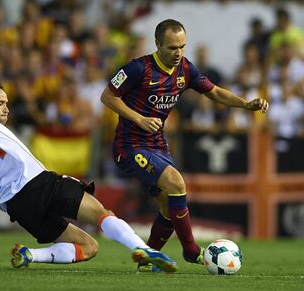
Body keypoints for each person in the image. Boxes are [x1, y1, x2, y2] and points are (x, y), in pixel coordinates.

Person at [0, 56, 177, 273]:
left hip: (17, 207)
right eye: (0, 103)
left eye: (7, 104)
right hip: (37, 183)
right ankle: (144, 250)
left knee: (89, 246)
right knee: (101, 213)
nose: (6, 109)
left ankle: (30, 255)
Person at [100, 19, 269, 270]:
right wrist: (139, 119)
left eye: (182, 46)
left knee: (170, 206)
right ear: (157, 44)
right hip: (130, 147)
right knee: (177, 183)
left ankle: (149, 258)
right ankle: (191, 251)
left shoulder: (185, 70)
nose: (178, 53)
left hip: (158, 146)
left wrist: (245, 104)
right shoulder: (138, 69)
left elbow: (214, 92)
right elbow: (107, 96)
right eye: (171, 47)